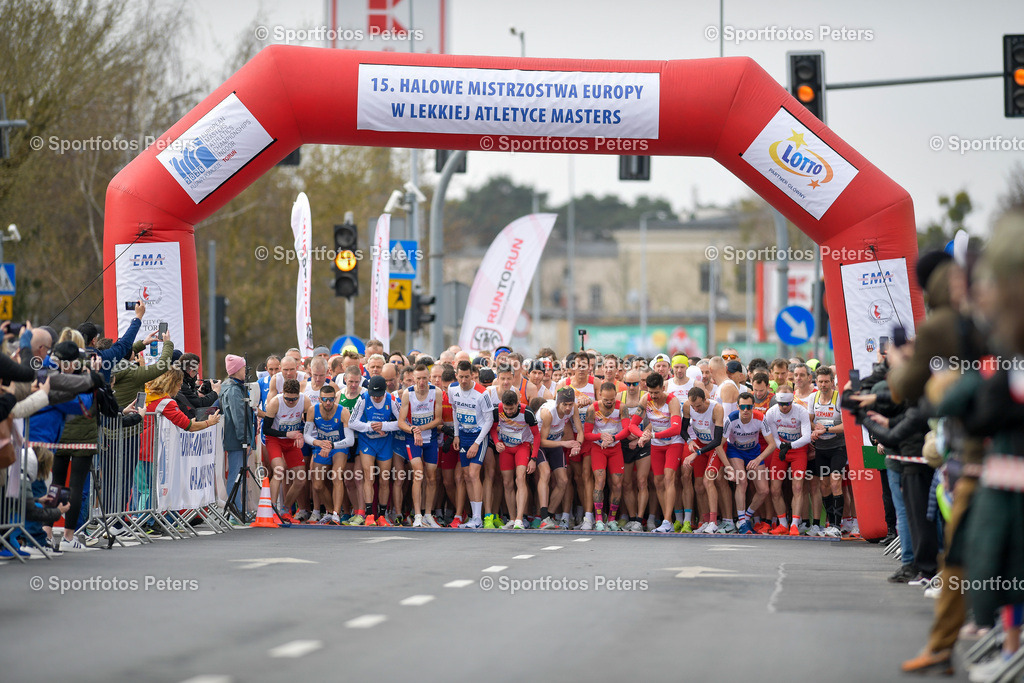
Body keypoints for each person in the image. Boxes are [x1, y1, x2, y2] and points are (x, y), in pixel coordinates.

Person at [632, 371, 683, 533]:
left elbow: (676, 428)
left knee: (669, 478)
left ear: (663, 388)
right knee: (658, 482)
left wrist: (652, 435)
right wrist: (642, 435)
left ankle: (668, 520)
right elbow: (633, 425)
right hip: (657, 444)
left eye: (656, 392)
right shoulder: (645, 399)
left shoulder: (672, 400)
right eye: (651, 392)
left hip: (673, 443)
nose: (653, 396)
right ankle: (667, 520)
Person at [348, 375, 401, 526]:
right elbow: (352, 422)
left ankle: (382, 516)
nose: (376, 398)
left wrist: (384, 426)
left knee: (384, 479)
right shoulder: (364, 398)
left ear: (384, 392)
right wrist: (370, 426)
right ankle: (370, 514)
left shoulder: (391, 399)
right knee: (369, 477)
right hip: (367, 442)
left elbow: (402, 422)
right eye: (374, 395)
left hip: (385, 443)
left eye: (379, 396)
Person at [721, 392, 776, 534]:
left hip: (754, 452)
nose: (746, 410)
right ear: (738, 407)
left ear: (753, 407)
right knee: (742, 481)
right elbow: (719, 445)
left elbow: (772, 444)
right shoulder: (731, 419)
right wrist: (728, 467)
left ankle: (746, 517)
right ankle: (742, 522)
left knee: (764, 490)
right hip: (735, 451)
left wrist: (758, 459)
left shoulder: (760, 417)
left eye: (749, 407)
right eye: (743, 407)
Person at [762, 384, 813, 536]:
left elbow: (807, 437)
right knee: (774, 489)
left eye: (787, 404)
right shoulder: (771, 412)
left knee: (797, 488)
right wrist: (782, 446)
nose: (784, 407)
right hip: (780, 449)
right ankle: (783, 523)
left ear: (792, 401)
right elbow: (773, 436)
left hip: (798, 449)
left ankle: (795, 524)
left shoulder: (801, 411)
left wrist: (790, 445)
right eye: (781, 404)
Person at [397, 363, 444, 527]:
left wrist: (421, 429)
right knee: (418, 474)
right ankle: (417, 515)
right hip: (413, 439)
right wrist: (413, 430)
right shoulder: (407, 394)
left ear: (429, 378)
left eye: (425, 378)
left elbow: (438, 419)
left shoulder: (436, 392)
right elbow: (401, 422)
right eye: (418, 379)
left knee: (431, 477)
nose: (422, 382)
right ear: (414, 379)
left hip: (430, 438)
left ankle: (428, 514)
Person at [261, 378, 312, 523]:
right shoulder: (275, 402)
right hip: (275, 439)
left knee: (301, 478)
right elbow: (266, 429)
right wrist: (285, 434)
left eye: (294, 399)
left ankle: (285, 509)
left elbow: (309, 424)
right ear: (283, 394)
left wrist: (302, 435)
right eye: (288, 399)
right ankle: (270, 510)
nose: (290, 402)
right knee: (279, 470)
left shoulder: (305, 401)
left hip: (292, 440)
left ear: (299, 395)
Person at [489, 389, 540, 530]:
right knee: (507, 482)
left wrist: (533, 459)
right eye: (506, 408)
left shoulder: (527, 412)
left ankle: (519, 519)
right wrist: (496, 441)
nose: (509, 412)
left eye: (511, 409)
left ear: (518, 404)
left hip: (522, 447)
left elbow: (537, 436)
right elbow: (492, 429)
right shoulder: (497, 410)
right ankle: (512, 518)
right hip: (506, 448)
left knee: (520, 478)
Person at [583, 382, 632, 531]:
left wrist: (613, 438)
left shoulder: (621, 407)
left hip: (615, 447)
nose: (609, 402)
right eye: (606, 400)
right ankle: (598, 518)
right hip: (598, 448)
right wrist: (600, 436)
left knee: (617, 483)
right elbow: (587, 434)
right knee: (600, 480)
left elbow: (627, 430)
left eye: (611, 399)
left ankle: (611, 518)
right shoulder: (593, 409)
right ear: (600, 396)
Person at [303, 383, 353, 525]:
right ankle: (330, 511)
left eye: (331, 399)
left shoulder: (343, 412)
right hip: (321, 446)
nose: (328, 403)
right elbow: (306, 435)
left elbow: (349, 440)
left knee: (337, 476)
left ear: (335, 398)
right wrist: (318, 443)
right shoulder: (313, 411)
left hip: (339, 446)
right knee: (317, 484)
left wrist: (332, 445)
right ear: (320, 399)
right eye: (325, 400)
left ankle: (337, 514)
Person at [682, 386, 728, 533]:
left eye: (699, 406)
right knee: (699, 486)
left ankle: (714, 521)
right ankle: (705, 520)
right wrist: (689, 441)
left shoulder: (717, 408)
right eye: (694, 406)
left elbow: (717, 440)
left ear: (705, 400)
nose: (697, 409)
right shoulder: (688, 406)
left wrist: (697, 453)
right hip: (700, 444)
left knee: (709, 481)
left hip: (715, 447)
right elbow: (683, 430)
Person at [449, 360, 489, 529]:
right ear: (456, 375)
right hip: (463, 435)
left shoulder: (482, 392)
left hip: (479, 436)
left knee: (473, 474)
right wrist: (456, 435)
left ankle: (478, 518)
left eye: (467, 377)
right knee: (466, 476)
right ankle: (473, 517)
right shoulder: (452, 389)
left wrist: (477, 443)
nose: (464, 380)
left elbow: (489, 420)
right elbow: (455, 410)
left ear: (473, 375)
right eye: (461, 377)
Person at [808, 366, 846, 538]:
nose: (823, 385)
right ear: (816, 382)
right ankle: (830, 523)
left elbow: (846, 426)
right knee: (823, 485)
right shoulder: (812, 398)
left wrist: (827, 429)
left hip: (838, 447)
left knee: (835, 482)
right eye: (820, 381)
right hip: (821, 448)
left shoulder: (839, 398)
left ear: (832, 382)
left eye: (826, 382)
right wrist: (815, 428)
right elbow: (808, 421)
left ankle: (837, 525)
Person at [537, 388, 582, 529]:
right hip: (538, 443)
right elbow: (542, 441)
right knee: (545, 473)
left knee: (563, 480)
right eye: (565, 405)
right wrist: (564, 443)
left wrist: (577, 445)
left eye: (570, 404)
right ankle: (543, 516)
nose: (568, 408)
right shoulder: (548, 413)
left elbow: (580, 431)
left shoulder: (573, 408)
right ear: (558, 403)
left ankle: (549, 516)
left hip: (555, 442)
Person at [220, 354, 254, 517]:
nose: (246, 371)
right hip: (237, 441)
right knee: (236, 474)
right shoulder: (233, 390)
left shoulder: (233, 387)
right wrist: (245, 440)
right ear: (235, 371)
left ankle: (239, 508)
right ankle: (235, 510)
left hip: (237, 439)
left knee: (238, 474)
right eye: (243, 368)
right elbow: (238, 416)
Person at [618, 370, 650, 532]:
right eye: (628, 384)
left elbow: (654, 420)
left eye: (635, 384)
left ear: (640, 383)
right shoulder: (619, 397)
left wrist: (640, 439)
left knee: (642, 481)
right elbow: (614, 420)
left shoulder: (646, 396)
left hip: (643, 442)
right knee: (626, 483)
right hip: (624, 444)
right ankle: (631, 517)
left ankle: (640, 519)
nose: (631, 387)